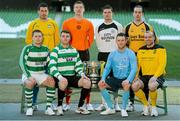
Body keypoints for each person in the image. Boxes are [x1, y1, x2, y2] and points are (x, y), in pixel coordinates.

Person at [25, 2, 60, 110]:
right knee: (35, 80)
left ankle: (49, 104)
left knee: (50, 80)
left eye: (45, 10)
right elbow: (28, 40)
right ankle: (33, 103)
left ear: (48, 12)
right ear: (38, 11)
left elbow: (56, 41)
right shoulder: (33, 24)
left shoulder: (53, 23)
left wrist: (53, 55)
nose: (44, 12)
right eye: (42, 10)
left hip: (49, 57)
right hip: (36, 58)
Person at [48, 30, 92, 115]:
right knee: (64, 81)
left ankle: (80, 107)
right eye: (63, 36)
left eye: (67, 36)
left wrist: (82, 74)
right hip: (59, 77)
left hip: (71, 76)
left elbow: (78, 66)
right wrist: (60, 77)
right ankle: (59, 106)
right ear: (60, 38)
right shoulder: (55, 50)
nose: (65, 38)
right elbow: (52, 67)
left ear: (70, 38)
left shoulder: (74, 50)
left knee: (87, 82)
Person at [125, 4, 159, 111]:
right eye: (136, 12)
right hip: (132, 58)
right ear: (133, 13)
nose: (137, 14)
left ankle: (146, 103)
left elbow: (155, 41)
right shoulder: (128, 27)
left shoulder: (148, 27)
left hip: (145, 58)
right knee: (132, 79)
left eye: (139, 12)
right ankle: (131, 102)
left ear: (142, 14)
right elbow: (125, 43)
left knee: (145, 79)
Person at [62, 0, 94, 111]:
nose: (79, 9)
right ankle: (67, 103)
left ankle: (87, 103)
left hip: (84, 53)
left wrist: (84, 46)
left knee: (86, 77)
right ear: (74, 9)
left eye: (80, 7)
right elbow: (65, 37)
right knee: (69, 76)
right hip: (70, 52)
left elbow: (91, 38)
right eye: (76, 7)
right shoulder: (67, 22)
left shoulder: (88, 23)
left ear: (83, 9)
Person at [98, 33, 137, 117]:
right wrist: (103, 78)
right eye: (118, 40)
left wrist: (128, 80)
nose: (120, 42)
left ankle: (123, 109)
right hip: (115, 78)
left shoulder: (130, 53)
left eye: (122, 40)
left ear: (126, 41)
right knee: (101, 84)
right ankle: (111, 108)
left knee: (126, 85)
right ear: (116, 41)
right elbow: (107, 68)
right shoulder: (112, 54)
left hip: (126, 78)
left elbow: (134, 69)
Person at [19, 30, 56, 116]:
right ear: (32, 38)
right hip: (29, 73)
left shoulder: (46, 49)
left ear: (42, 38)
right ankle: (29, 107)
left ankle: (48, 108)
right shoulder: (27, 48)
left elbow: (49, 63)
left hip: (41, 74)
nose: (38, 38)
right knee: (29, 83)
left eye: (39, 36)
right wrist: (28, 76)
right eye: (36, 36)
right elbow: (21, 63)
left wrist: (50, 74)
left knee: (52, 81)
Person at [95, 5, 124, 112]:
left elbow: (121, 41)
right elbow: (98, 41)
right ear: (103, 14)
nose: (107, 14)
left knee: (115, 80)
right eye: (105, 12)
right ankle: (103, 103)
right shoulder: (98, 26)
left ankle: (116, 104)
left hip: (115, 56)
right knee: (103, 80)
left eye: (109, 12)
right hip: (102, 55)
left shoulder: (118, 26)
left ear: (112, 13)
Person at [132, 31, 167, 117]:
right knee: (134, 86)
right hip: (144, 76)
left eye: (150, 37)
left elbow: (162, 64)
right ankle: (146, 105)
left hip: (158, 76)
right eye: (146, 37)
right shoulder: (141, 50)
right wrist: (136, 76)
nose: (148, 39)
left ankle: (154, 107)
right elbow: (138, 66)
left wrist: (155, 76)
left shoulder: (161, 49)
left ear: (154, 38)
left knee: (152, 86)